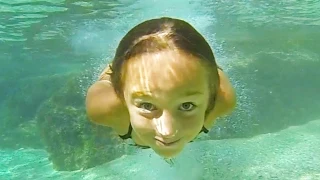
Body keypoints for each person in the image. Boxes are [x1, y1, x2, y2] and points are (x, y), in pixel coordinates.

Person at [85, 17, 236, 158]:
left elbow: (213, 74)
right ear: (122, 97)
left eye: (186, 105)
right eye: (147, 105)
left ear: (209, 99)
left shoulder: (222, 100)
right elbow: (109, 79)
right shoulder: (104, 108)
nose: (167, 132)